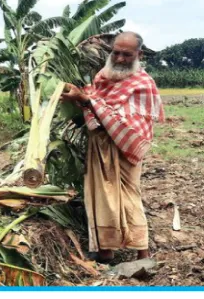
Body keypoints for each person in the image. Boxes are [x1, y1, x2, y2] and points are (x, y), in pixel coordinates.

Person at [61, 31, 165, 263]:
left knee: (128, 194)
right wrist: (79, 96)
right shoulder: (102, 75)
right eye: (116, 53)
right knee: (101, 195)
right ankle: (106, 251)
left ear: (138, 54)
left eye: (126, 55)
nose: (119, 59)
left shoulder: (143, 83)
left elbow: (126, 120)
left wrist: (88, 100)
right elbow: (95, 99)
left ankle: (142, 252)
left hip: (126, 146)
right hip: (99, 142)